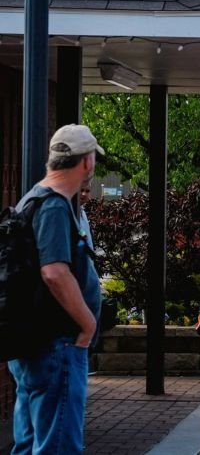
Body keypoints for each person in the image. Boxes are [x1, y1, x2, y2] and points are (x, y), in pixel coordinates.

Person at [8, 125, 104, 454]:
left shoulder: (31, 200)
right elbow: (54, 272)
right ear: (86, 162)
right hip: (57, 343)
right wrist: (87, 323)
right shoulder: (53, 206)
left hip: (34, 342)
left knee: (30, 440)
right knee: (57, 443)